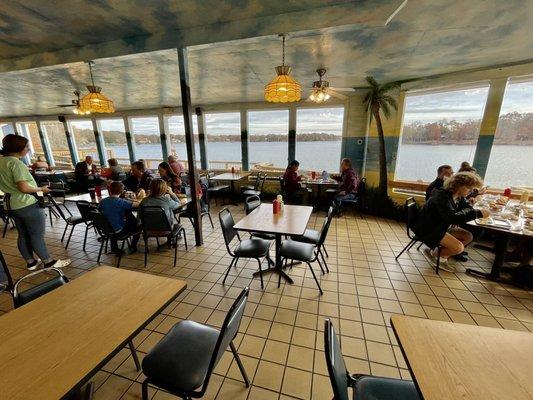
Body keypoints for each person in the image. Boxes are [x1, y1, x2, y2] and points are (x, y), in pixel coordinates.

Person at [0, 134, 70, 270]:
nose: (28, 149)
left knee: (23, 234)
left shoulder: (1, 161)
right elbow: (24, 188)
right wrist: (41, 189)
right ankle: (48, 262)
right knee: (36, 235)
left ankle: (31, 262)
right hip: (26, 204)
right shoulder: (16, 163)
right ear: (18, 148)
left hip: (10, 204)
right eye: (26, 146)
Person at [414, 172, 490, 272]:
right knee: (459, 248)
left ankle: (437, 254)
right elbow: (453, 218)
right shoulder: (442, 196)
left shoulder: (457, 196)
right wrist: (477, 214)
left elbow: (466, 207)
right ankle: (439, 258)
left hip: (440, 227)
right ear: (459, 185)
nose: (471, 191)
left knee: (468, 236)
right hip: (429, 229)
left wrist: (472, 210)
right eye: (469, 188)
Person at [98, 181, 140, 254]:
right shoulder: (120, 202)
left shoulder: (102, 201)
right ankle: (133, 247)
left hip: (106, 229)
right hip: (119, 231)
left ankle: (114, 248)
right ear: (122, 191)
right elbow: (137, 205)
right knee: (138, 226)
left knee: (111, 219)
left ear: (109, 189)